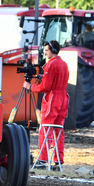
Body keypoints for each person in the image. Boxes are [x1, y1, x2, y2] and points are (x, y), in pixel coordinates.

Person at [23, 40, 69, 170]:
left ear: (53, 50)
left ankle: (42, 160)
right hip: (63, 99)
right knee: (58, 130)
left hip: (53, 99)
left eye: (47, 50)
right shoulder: (64, 64)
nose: (45, 53)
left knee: (45, 129)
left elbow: (45, 87)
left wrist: (30, 86)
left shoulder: (50, 65)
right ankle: (58, 161)